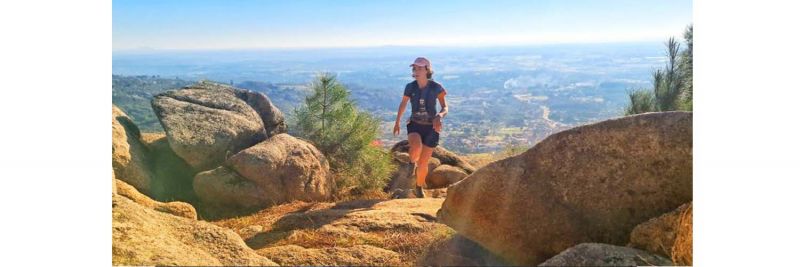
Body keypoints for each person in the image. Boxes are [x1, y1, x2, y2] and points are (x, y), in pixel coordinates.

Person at [393, 57, 448, 198]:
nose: (416, 71)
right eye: (414, 68)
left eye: (419, 68)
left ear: (427, 70)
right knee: (416, 146)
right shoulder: (410, 87)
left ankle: (418, 187)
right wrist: (397, 121)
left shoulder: (437, 87)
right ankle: (411, 163)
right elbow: (403, 104)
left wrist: (440, 116)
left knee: (423, 163)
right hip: (415, 124)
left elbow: (445, 107)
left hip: (431, 128)